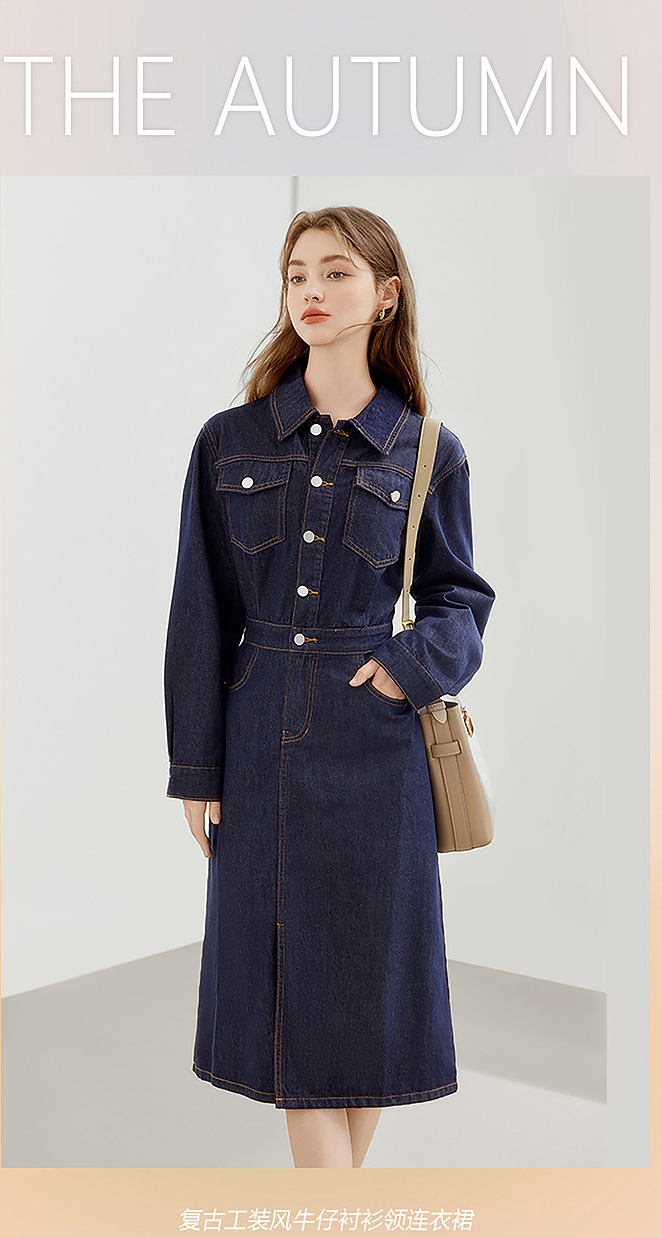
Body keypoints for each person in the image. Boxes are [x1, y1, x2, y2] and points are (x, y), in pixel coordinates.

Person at [164, 205, 496, 1168]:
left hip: (378, 753)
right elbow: (198, 612)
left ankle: (332, 1219)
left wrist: (404, 668)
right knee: (285, 994)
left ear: (385, 295)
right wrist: (196, 768)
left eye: (336, 273)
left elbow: (460, 599)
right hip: (259, 739)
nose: (311, 291)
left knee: (365, 995)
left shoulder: (427, 449)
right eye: (297, 274)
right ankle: (338, 1218)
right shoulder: (229, 442)